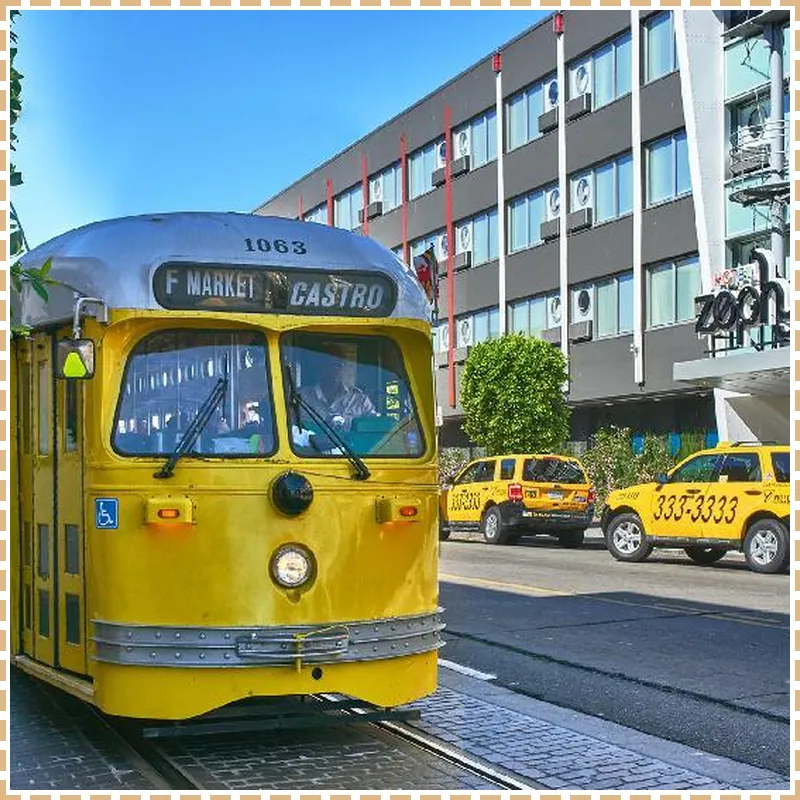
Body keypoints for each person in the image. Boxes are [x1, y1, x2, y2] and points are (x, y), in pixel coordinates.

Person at [297, 346, 377, 433]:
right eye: (332, 365)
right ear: (321, 367)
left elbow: (376, 428)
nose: (337, 369)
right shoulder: (302, 398)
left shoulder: (360, 401)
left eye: (341, 365)